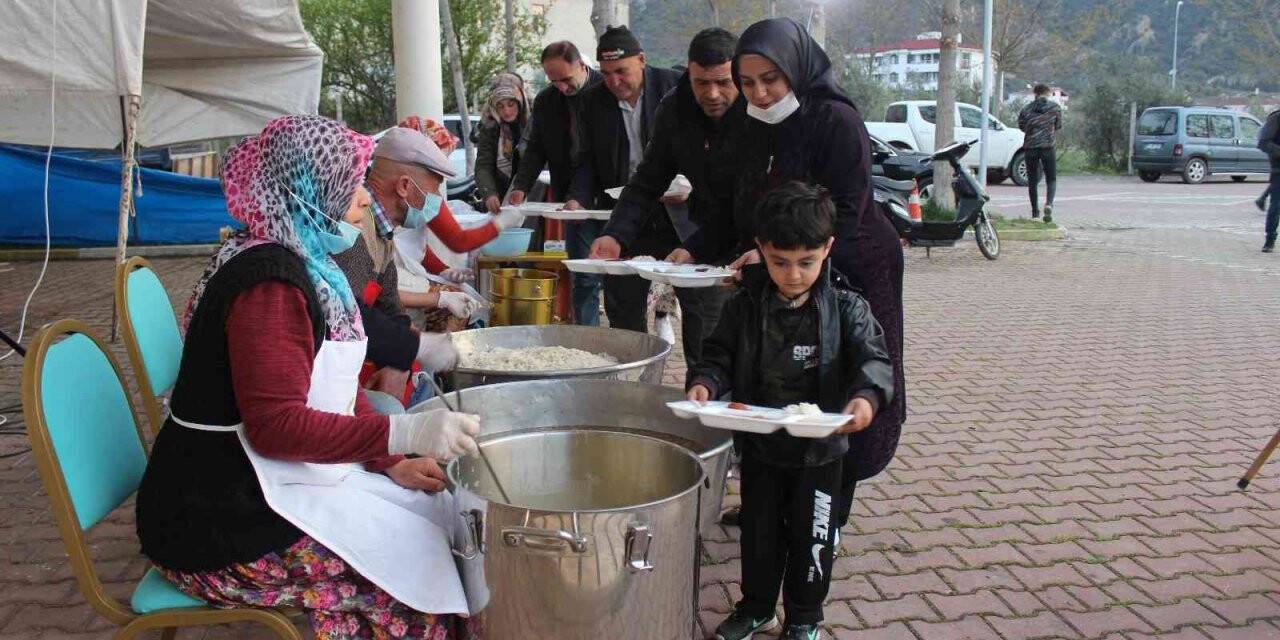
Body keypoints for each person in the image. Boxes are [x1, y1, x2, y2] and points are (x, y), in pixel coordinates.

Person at [136, 115, 483, 639]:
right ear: (308, 186)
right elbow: (276, 426)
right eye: (352, 181)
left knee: (435, 524)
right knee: (415, 591)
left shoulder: (309, 265)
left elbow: (333, 387)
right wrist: (402, 432)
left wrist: (387, 459)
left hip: (259, 483)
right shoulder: (269, 286)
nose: (364, 196)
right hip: (218, 514)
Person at [687, 182, 894, 640]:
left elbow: (875, 362)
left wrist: (866, 398)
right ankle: (757, 607)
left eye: (806, 262)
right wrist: (705, 383)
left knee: (813, 539)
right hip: (761, 449)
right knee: (758, 536)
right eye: (780, 262)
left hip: (821, 455)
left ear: (827, 249)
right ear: (761, 250)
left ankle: (804, 617)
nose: (793, 275)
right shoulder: (744, 305)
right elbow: (717, 355)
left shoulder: (848, 308)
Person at [728, 18, 907, 537]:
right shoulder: (751, 120)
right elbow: (742, 198)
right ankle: (772, 500)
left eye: (771, 79)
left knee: (840, 377)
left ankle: (827, 511)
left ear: (797, 69)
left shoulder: (835, 119)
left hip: (854, 263)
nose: (759, 93)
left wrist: (786, 257)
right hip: (786, 268)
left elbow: (848, 210)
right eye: (748, 82)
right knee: (781, 380)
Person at [590, 27, 743, 367]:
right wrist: (615, 233)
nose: (713, 94)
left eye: (723, 82)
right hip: (703, 232)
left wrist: (701, 246)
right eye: (702, 83)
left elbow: (751, 197)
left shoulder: (756, 108)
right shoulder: (675, 108)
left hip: (745, 234)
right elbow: (647, 180)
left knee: (714, 334)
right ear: (689, 72)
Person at [337, 127, 520, 405]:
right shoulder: (358, 230)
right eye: (434, 190)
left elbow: (390, 306)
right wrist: (413, 348)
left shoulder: (383, 232)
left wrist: (403, 359)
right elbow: (351, 313)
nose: (437, 200)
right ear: (404, 187)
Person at [564, 25, 681, 331]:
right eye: (606, 74)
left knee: (698, 305)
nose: (614, 81)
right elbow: (586, 160)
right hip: (626, 212)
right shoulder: (592, 101)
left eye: (621, 71)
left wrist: (689, 184)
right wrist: (577, 197)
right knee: (622, 302)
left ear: (641, 59)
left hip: (678, 211)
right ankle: (632, 369)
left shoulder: (675, 87)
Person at [395, 115, 524, 276]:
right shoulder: (422, 194)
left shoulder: (396, 185)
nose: (438, 178)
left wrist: (443, 270)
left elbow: (413, 244)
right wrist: (500, 223)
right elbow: (459, 241)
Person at [474, 73, 531, 214]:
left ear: (520, 101)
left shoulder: (534, 123)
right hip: (500, 195)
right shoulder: (490, 127)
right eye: (500, 106)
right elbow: (483, 165)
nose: (506, 111)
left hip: (532, 194)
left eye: (511, 104)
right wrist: (489, 193)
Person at [1018, 83, 1062, 223]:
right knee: (1051, 178)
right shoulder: (1055, 108)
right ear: (1048, 93)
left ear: (1035, 93)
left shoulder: (1026, 109)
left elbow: (1022, 126)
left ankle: (1035, 213)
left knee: (1032, 181)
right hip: (1048, 147)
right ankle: (1049, 204)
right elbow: (1059, 125)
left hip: (1030, 147)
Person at [1258, 108, 1280, 252]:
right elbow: (1263, 143)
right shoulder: (1276, 118)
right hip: (1279, 169)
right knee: (1276, 207)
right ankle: (1270, 239)